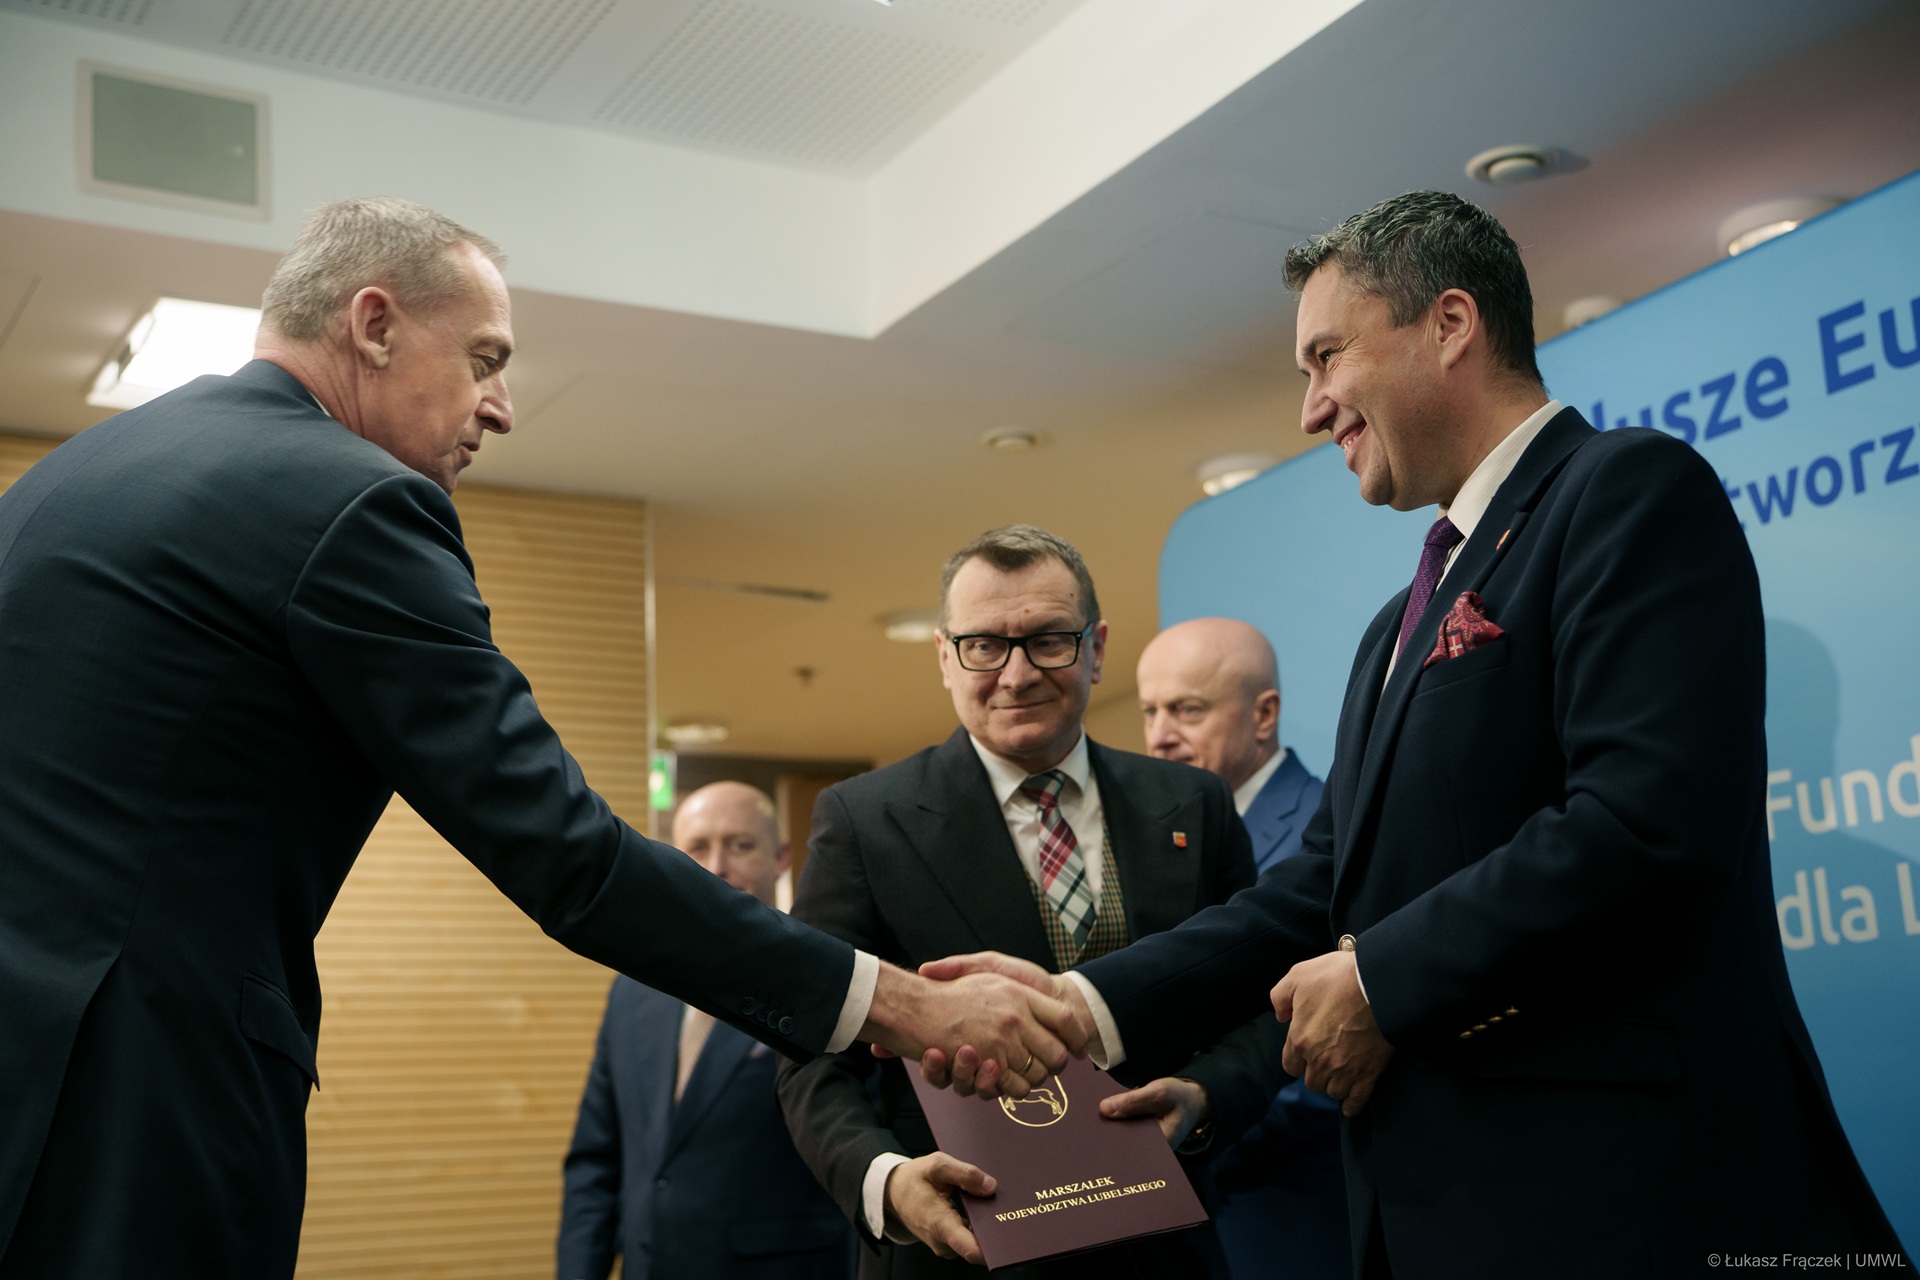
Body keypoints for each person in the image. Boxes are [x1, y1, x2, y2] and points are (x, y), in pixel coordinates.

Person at [0, 198, 1078, 1280]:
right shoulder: (350, 502)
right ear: (373, 325)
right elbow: (572, 857)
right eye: (484, 359)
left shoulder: (67, 479)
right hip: (126, 1091)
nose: (503, 407)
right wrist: (903, 1003)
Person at [923, 192, 1907, 1277]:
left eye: (1326, 357)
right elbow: (1322, 882)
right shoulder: (1396, 623)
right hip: (1440, 1212)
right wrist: (1083, 1005)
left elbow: (1645, 825)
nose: (1311, 409)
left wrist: (1380, 979)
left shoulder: (1625, 490)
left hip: (1622, 1198)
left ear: (1449, 324)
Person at [777, 526, 1288, 1279]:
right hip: (960, 1250)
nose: (1016, 675)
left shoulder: (1195, 803)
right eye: (984, 645)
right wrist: (884, 1178)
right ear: (945, 657)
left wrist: (1207, 1095)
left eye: (1049, 641)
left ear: (1096, 649)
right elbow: (812, 1055)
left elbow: (1261, 998)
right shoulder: (863, 822)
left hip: (1163, 1249)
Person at [558, 782, 854, 1280]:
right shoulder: (633, 990)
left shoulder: (820, 981)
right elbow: (596, 1161)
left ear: (781, 857)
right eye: (697, 848)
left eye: (740, 845)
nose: (717, 866)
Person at [1137, 618, 1348, 1280]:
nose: (1159, 734)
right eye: (1149, 711)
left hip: (1290, 1212)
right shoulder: (1163, 842)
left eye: (1187, 709)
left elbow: (1343, 1039)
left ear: (1264, 715)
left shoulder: (1329, 836)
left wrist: (1200, 1112)